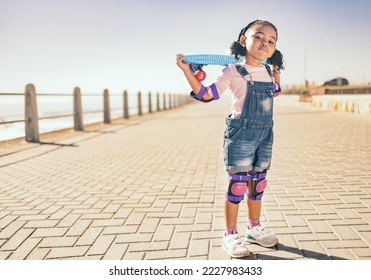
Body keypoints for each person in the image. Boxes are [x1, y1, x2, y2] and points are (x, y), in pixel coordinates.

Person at [176, 19, 284, 258]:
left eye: (271, 41)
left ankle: (254, 228)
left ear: (275, 48)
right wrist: (187, 72)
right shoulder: (232, 71)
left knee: (258, 184)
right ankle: (230, 234)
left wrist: (276, 72)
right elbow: (206, 95)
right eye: (258, 37)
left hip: (265, 134)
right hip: (241, 134)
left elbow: (275, 91)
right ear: (244, 40)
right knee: (237, 185)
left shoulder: (268, 70)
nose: (264, 43)